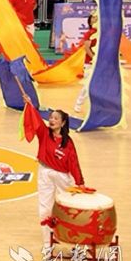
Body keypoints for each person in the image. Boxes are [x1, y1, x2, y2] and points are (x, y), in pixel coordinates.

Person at [21, 97, 84, 251]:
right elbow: (35, 119)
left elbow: (74, 163)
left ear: (63, 123)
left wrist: (80, 182)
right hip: (45, 173)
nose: (52, 120)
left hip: (63, 177)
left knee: (68, 208)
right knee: (45, 208)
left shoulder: (68, 143)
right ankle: (47, 243)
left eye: (56, 118)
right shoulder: (44, 133)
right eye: (50, 117)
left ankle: (73, 242)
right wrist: (29, 104)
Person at [74, 12, 97, 113]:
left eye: (97, 17)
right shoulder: (89, 33)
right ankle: (78, 103)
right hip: (90, 63)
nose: (95, 19)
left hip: (100, 62)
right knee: (88, 84)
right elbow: (87, 48)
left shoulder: (102, 33)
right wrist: (94, 58)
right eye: (93, 18)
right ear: (90, 21)